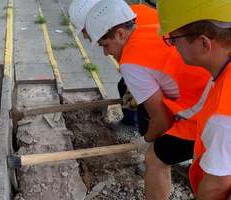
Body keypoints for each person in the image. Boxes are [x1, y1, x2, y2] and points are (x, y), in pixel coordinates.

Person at [85, 0, 210, 199]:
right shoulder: (148, 25)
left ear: (119, 33)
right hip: (210, 87)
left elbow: (162, 120)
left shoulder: (131, 63)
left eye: (105, 44)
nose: (105, 52)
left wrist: (147, 140)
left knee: (155, 158)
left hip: (206, 109)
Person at [157, 0, 231, 199]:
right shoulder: (223, 73)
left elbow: (217, 185)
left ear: (204, 43)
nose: (172, 45)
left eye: (173, 39)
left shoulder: (223, 116)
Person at [69, 0, 139, 130]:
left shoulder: (126, 34)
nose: (85, 35)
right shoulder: (124, 18)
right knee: (123, 86)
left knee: (135, 97)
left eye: (85, 30)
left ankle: (135, 128)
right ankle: (131, 122)